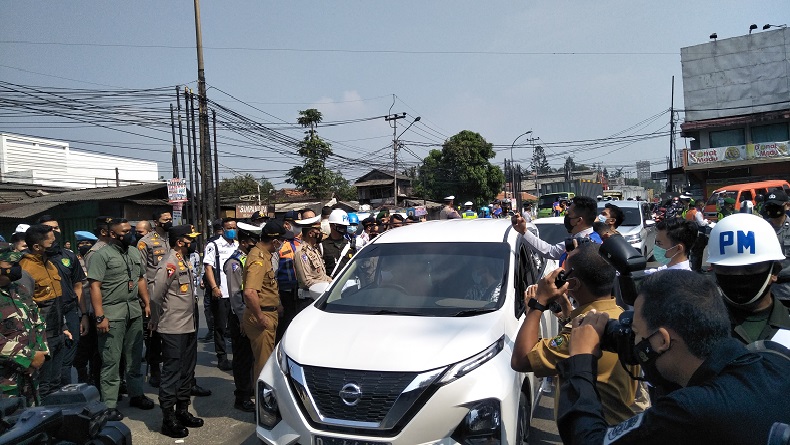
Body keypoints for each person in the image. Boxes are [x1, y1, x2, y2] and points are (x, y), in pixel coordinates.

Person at [555, 270, 790, 444]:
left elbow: (589, 441)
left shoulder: (691, 409)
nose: (632, 338)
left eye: (636, 332)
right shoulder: (773, 357)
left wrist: (581, 359)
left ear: (662, 341)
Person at [511, 243, 638, 425]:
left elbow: (521, 359)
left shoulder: (582, 334)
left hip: (593, 433)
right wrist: (565, 305)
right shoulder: (621, 317)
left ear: (573, 284)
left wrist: (537, 304)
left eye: (564, 273)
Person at [87, 218, 154, 421]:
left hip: (133, 310)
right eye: (125, 231)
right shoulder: (101, 255)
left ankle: (136, 394)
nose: (130, 233)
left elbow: (140, 278)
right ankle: (109, 404)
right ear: (113, 235)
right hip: (112, 314)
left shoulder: (133, 252)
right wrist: (100, 316)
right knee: (111, 361)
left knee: (134, 357)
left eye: (130, 229)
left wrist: (146, 302)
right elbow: (94, 286)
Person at [149, 224, 203, 438]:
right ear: (180, 242)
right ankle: (168, 418)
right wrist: (155, 319)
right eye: (189, 239)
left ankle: (182, 411)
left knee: (186, 371)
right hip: (172, 326)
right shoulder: (169, 263)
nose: (192, 242)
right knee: (172, 372)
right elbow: (155, 296)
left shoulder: (183, 260)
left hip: (188, 324)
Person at [707, 213, 790, 346]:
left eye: (750, 269)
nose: (738, 276)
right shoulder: (697, 326)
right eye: (727, 269)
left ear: (774, 271)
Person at [36, 215, 87, 388]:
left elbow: (78, 286)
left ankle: (65, 396)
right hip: (45, 315)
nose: (54, 232)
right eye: (48, 228)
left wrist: (84, 315)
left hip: (69, 311)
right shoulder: (32, 260)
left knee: (67, 358)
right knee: (48, 361)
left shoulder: (68, 256)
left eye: (56, 228)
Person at [19, 224, 69, 398]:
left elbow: (56, 301)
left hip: (57, 333)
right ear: (37, 247)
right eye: (51, 243)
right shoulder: (25, 270)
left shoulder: (50, 264)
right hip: (42, 337)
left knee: (56, 382)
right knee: (43, 386)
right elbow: (24, 310)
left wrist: (63, 327)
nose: (55, 245)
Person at [0, 243, 48, 406]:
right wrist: (29, 358)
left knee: (32, 423)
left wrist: (40, 353)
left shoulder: (18, 288)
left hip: (29, 375)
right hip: (5, 382)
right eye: (11, 264)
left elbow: (37, 320)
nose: (16, 268)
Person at [242, 220, 291, 380]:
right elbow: (250, 292)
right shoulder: (259, 258)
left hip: (269, 312)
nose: (283, 244)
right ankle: (263, 402)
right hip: (261, 316)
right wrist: (261, 317)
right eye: (282, 241)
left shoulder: (265, 256)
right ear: (275, 241)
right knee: (264, 366)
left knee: (266, 361)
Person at [224, 222, 259, 413]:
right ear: (244, 242)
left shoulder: (251, 258)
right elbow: (236, 295)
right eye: (253, 241)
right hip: (241, 315)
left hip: (252, 312)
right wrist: (243, 319)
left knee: (253, 357)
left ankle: (251, 389)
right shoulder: (234, 263)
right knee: (243, 358)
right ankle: (242, 396)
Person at [137, 211, 173, 387]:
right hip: (153, 294)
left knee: (170, 335)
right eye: (165, 219)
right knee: (153, 335)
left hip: (172, 293)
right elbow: (141, 273)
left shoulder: (173, 237)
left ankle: (169, 370)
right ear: (156, 221)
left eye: (170, 218)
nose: (169, 221)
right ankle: (155, 371)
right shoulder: (146, 242)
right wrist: (145, 300)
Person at [512, 196, 602, 263]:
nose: (566, 216)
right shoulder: (592, 238)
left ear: (579, 220)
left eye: (569, 214)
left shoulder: (587, 245)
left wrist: (524, 231)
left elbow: (549, 251)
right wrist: (524, 231)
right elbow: (551, 251)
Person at [204, 217, 239, 371]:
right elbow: (208, 267)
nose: (232, 230)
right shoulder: (214, 246)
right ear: (223, 230)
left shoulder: (238, 245)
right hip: (221, 291)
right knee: (220, 326)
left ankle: (238, 356)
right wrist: (214, 287)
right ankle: (222, 357)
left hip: (237, 292)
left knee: (236, 326)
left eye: (234, 227)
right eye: (229, 228)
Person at [73, 230, 101, 387]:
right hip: (81, 312)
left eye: (87, 244)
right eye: (81, 244)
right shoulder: (75, 262)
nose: (84, 246)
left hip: (96, 312)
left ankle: (94, 377)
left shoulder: (97, 260)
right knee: (82, 349)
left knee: (97, 350)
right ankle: (82, 377)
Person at [275, 211, 302, 343]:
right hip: (284, 292)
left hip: (298, 291)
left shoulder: (299, 242)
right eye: (296, 224)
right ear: (287, 224)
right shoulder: (279, 244)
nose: (299, 227)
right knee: (284, 324)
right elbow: (273, 274)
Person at [294, 215, 332, 305]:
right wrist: (328, 284)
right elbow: (306, 281)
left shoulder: (314, 250)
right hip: (309, 299)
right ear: (310, 233)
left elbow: (322, 275)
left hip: (320, 296)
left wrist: (333, 282)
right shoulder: (301, 252)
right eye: (318, 230)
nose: (320, 233)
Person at [764, 190, 790, 303]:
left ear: (787, 206)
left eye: (776, 206)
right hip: (767, 292)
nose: (772, 209)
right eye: (769, 205)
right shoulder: (761, 228)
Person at [201, 219, 224, 343]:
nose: (219, 234)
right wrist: (202, 278)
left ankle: (223, 330)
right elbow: (206, 264)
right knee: (208, 307)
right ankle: (212, 330)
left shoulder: (232, 243)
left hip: (222, 280)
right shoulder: (211, 243)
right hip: (211, 280)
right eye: (218, 231)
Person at [321, 209, 352, 277]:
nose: (343, 228)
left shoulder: (350, 244)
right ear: (331, 225)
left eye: (344, 226)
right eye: (340, 226)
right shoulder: (322, 246)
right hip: (332, 283)